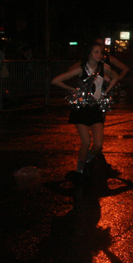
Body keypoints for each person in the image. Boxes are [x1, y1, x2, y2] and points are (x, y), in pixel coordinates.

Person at [51, 41, 121, 182]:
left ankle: (87, 160)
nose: (99, 54)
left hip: (95, 108)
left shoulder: (103, 68)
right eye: (96, 52)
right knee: (86, 142)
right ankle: (80, 169)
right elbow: (56, 80)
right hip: (81, 109)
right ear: (89, 54)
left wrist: (105, 92)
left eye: (101, 52)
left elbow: (116, 77)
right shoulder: (81, 69)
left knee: (98, 143)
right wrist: (73, 90)